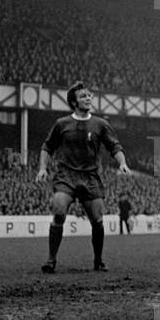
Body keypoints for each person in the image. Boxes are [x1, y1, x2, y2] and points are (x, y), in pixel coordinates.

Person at [37, 82, 131, 273]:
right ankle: (51, 260)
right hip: (66, 176)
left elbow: (115, 147)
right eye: (83, 96)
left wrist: (122, 163)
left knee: (97, 220)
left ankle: (98, 260)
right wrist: (42, 168)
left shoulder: (101, 124)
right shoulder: (62, 124)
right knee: (59, 211)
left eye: (89, 95)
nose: (88, 98)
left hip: (90, 177)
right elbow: (48, 146)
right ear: (73, 102)